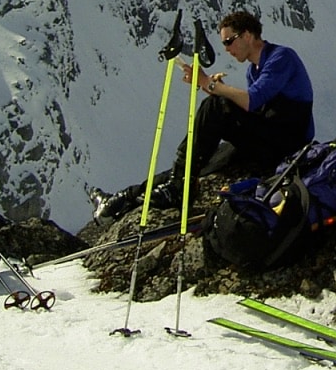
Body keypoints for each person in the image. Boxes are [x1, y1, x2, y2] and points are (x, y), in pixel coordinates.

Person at [91, 11, 315, 221]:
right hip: (271, 138)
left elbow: (252, 100)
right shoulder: (253, 70)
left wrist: (212, 86)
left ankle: (178, 187)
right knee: (204, 158)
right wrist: (210, 86)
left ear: (248, 35)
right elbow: (253, 110)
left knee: (215, 106)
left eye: (229, 41)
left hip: (289, 146)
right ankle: (123, 199)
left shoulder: (281, 57)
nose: (227, 48)